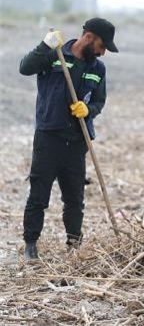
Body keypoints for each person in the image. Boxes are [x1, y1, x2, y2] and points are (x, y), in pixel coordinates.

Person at [19, 17, 119, 260]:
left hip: (77, 140)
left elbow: (99, 101)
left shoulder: (97, 69)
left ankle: (74, 244)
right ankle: (31, 245)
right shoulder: (54, 56)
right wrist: (44, 45)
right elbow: (24, 68)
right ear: (89, 37)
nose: (103, 52)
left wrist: (89, 110)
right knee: (39, 195)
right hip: (49, 137)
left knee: (74, 198)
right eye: (102, 46)